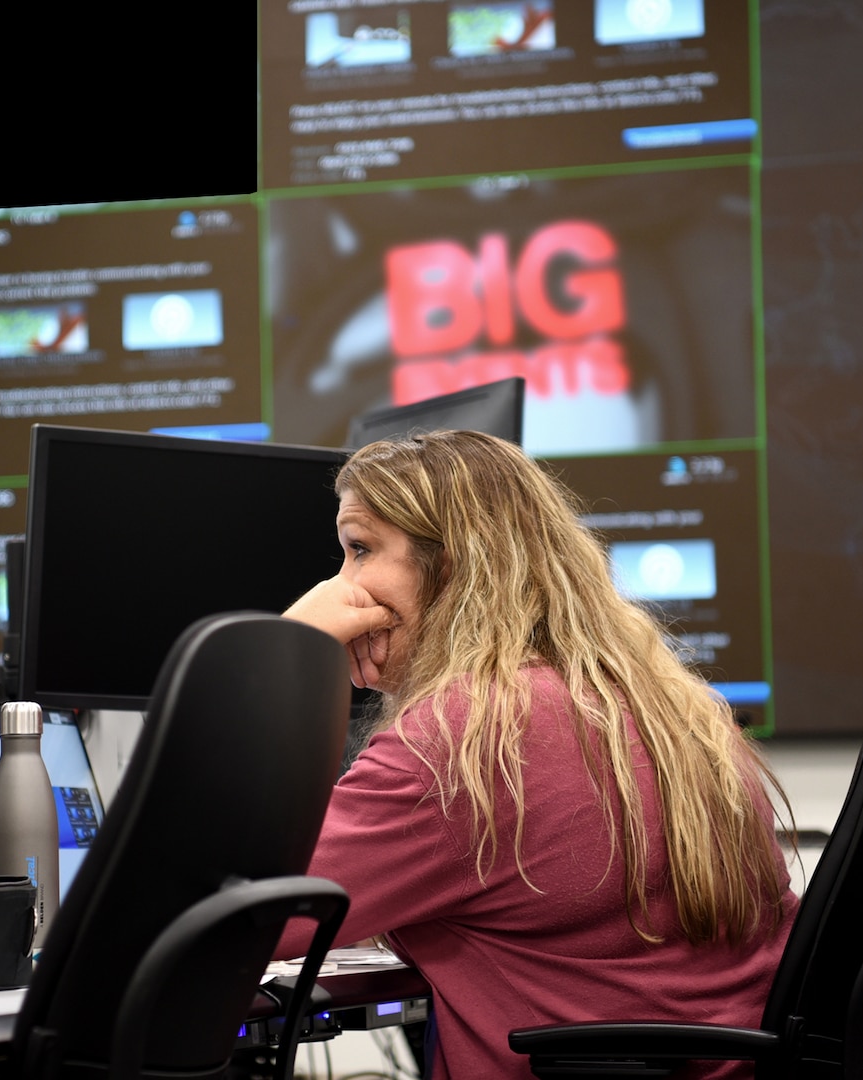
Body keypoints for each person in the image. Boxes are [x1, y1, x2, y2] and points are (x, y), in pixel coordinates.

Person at [276, 430, 797, 1079]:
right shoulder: (673, 707)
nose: (341, 585)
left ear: (456, 563)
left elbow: (241, 916)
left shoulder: (463, 742)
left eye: (360, 549)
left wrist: (281, 659)